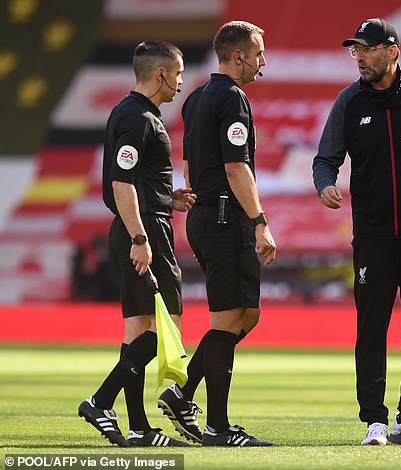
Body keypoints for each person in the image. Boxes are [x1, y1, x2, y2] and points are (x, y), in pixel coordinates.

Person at [312, 18, 401, 446]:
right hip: (373, 236)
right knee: (371, 327)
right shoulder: (349, 102)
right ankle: (375, 421)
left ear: (392, 51)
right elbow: (325, 159)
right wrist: (325, 185)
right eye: (354, 49)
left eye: (367, 48)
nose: (358, 56)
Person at [157, 20, 276, 447]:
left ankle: (183, 390)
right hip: (228, 218)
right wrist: (259, 221)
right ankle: (217, 427)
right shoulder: (233, 100)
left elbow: (188, 164)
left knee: (246, 315)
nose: (262, 62)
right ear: (238, 56)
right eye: (258, 54)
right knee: (229, 320)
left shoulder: (195, 98)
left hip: (206, 215)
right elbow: (235, 166)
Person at [78, 40, 196, 448]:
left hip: (143, 222)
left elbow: (135, 180)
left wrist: (167, 198)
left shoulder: (132, 113)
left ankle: (139, 428)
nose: (181, 82)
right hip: (143, 232)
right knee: (166, 329)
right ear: (161, 74)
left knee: (139, 330)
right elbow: (121, 181)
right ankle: (100, 400)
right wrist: (141, 236)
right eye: (178, 74)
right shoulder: (138, 117)